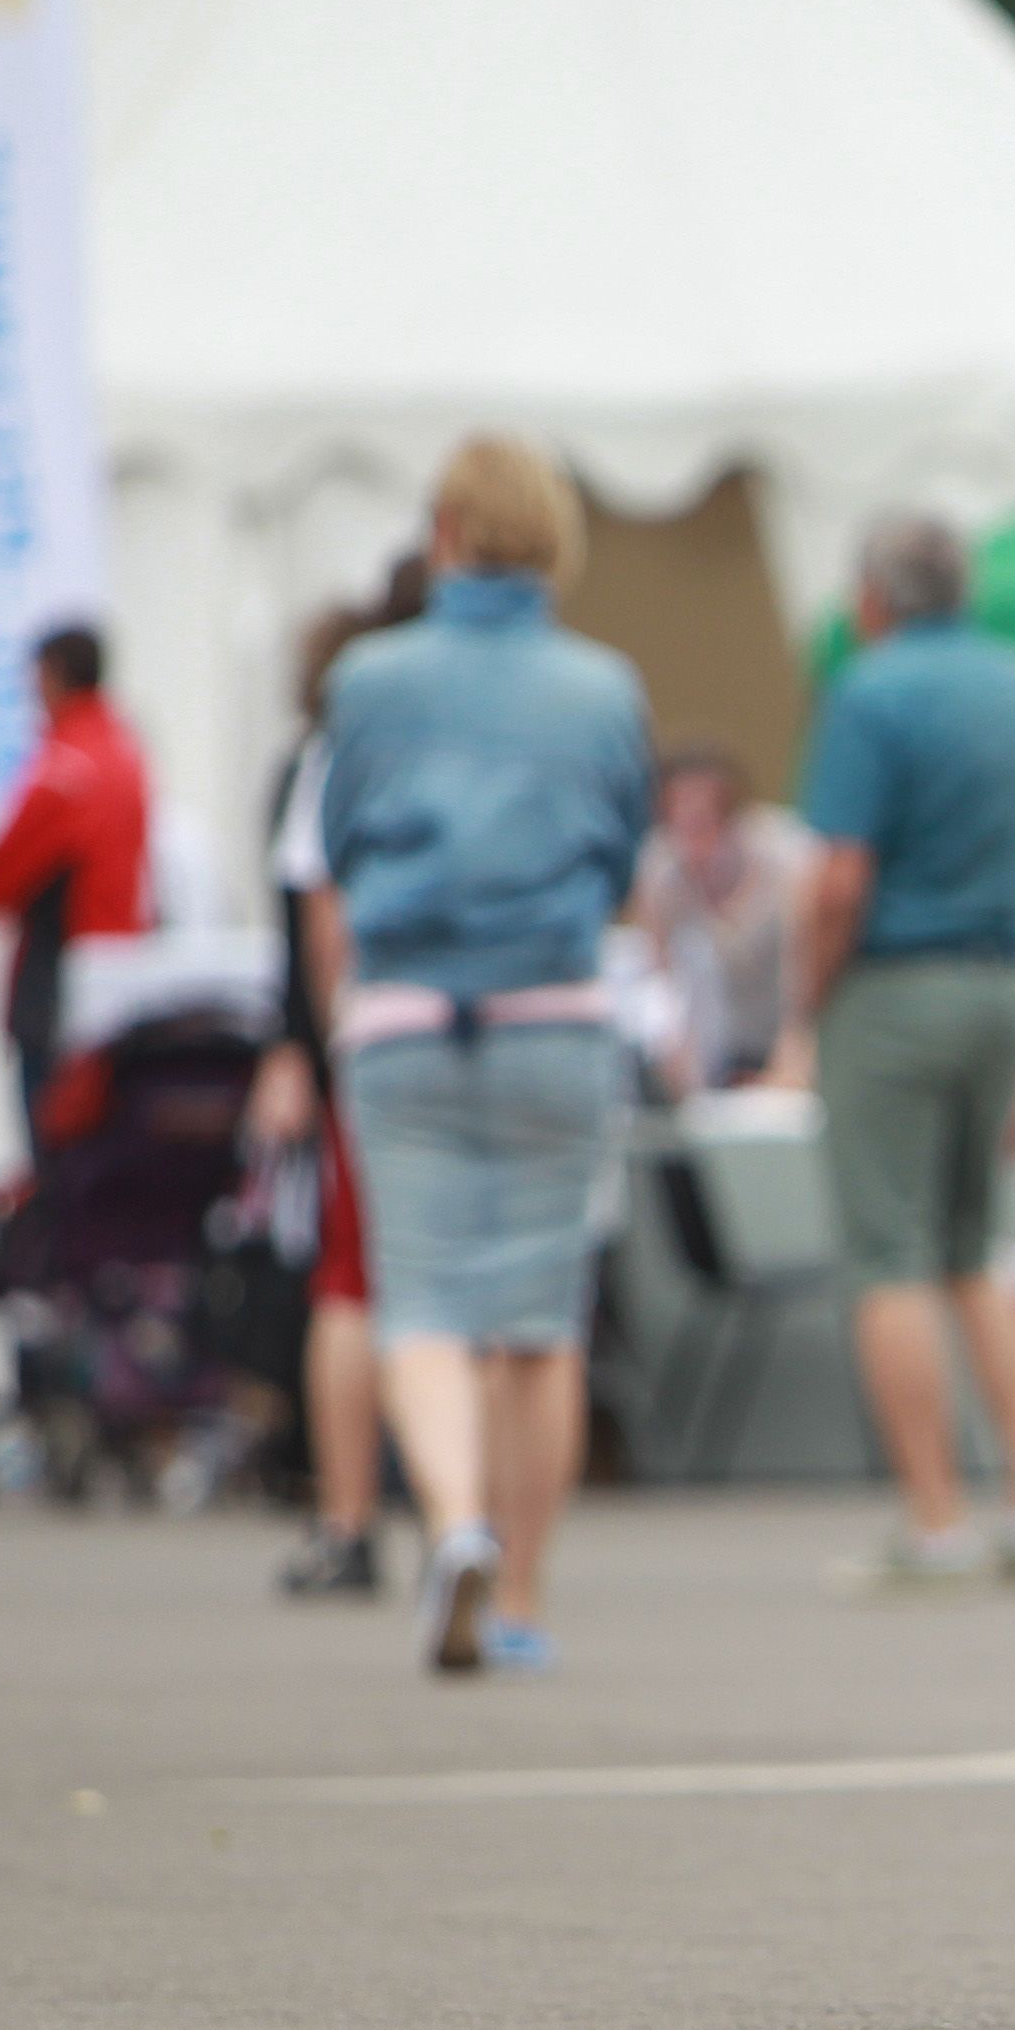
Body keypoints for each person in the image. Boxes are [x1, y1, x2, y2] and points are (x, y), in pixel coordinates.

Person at [308, 438, 650, 1676]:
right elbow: (620, 854)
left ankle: (449, 1518)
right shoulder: (603, 686)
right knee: (539, 1319)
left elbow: (340, 838)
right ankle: (521, 1592)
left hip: (405, 1012)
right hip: (552, 1013)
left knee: (425, 1299)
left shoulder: (368, 677)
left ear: (444, 527)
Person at [775, 511, 1015, 1595]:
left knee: (887, 1256)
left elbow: (839, 880)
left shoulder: (869, 689)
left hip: (895, 985)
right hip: (1002, 979)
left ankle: (936, 1515)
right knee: (975, 1247)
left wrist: (803, 1009)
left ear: (872, 598)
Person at [255, 600, 393, 1599]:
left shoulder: (330, 757)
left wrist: (308, 1043)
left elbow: (312, 929)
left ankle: (348, 1517)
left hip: (377, 1040)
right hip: (511, 1026)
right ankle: (480, 1522)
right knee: (488, 1297)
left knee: (350, 1280)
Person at [0, 623, 155, 1152]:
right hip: (120, 977)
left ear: (51, 679)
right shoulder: (125, 751)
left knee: (54, 1158)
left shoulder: (66, 767)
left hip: (59, 990)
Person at [626, 747, 817, 1092]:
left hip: (786, 1025)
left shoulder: (789, 858)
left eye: (703, 822)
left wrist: (790, 1064)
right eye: (675, 824)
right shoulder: (659, 868)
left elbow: (807, 975)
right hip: (723, 1041)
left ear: (735, 818)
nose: (691, 843)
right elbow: (662, 981)